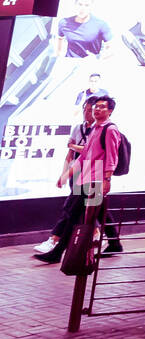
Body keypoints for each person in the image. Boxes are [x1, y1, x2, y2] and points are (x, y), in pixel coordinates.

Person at [36, 95, 124, 263]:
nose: (96, 109)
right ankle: (113, 243)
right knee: (87, 213)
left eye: (102, 107)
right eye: (95, 107)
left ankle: (60, 252)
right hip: (86, 176)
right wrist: (66, 175)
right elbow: (83, 156)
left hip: (96, 177)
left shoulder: (110, 129)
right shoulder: (94, 129)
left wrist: (107, 180)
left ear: (110, 111)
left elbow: (112, 157)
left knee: (75, 213)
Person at [34, 98, 97, 257]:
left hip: (94, 173)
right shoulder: (78, 127)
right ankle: (105, 238)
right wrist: (64, 173)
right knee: (91, 208)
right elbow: (72, 154)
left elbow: (88, 151)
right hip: (77, 172)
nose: (87, 112)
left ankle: (55, 241)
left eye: (91, 109)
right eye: (85, 109)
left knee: (73, 208)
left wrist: (73, 146)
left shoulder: (102, 130)